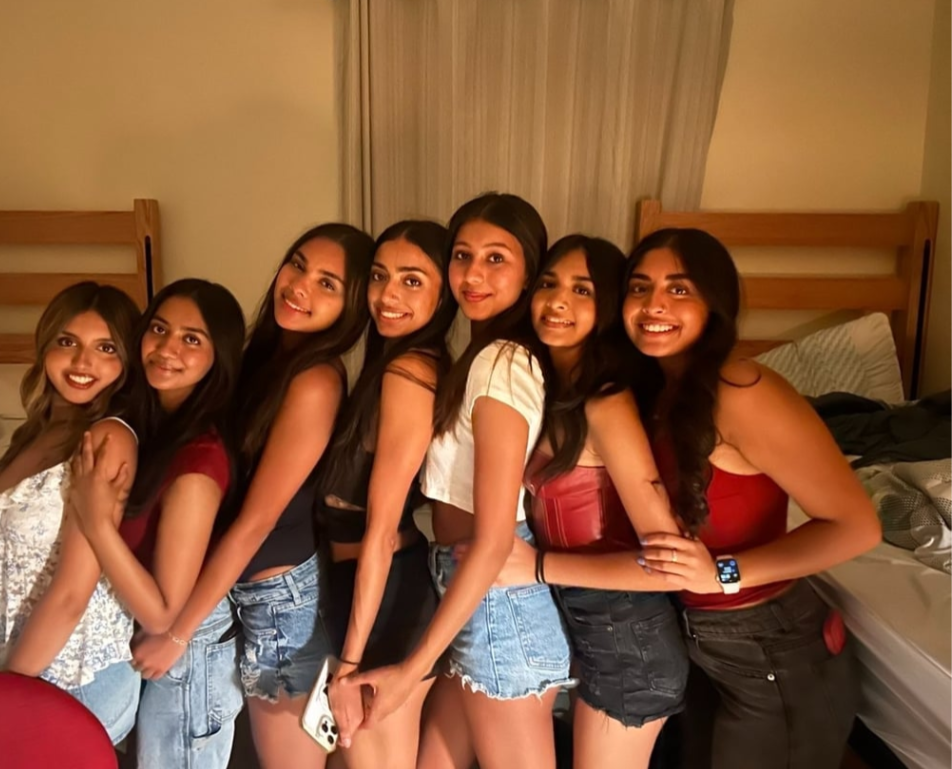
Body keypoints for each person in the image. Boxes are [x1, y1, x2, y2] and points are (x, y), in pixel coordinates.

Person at [624, 228, 881, 768]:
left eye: (679, 289)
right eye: (640, 287)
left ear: (715, 305)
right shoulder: (657, 393)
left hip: (774, 647)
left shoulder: (742, 390)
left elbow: (857, 526)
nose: (653, 305)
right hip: (706, 641)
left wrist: (721, 573)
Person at [132, 224, 374, 769]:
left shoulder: (315, 381)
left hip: (279, 602)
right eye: (298, 264)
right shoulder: (261, 356)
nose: (300, 285)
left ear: (351, 308)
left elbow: (256, 521)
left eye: (328, 283)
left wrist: (176, 634)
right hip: (242, 588)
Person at [350, 193, 570, 769]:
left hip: (497, 602)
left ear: (530, 274)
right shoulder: (480, 358)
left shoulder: (501, 363)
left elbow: (494, 540)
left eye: (496, 259)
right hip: (470, 590)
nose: (473, 275)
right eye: (463, 256)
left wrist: (411, 669)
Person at [519, 234, 688, 768]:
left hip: (629, 641)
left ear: (610, 306)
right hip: (593, 632)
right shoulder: (547, 389)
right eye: (548, 284)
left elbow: (669, 567)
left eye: (582, 290)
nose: (557, 301)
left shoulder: (607, 402)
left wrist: (536, 566)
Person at [69, 278, 246, 769]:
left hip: (189, 649)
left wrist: (96, 524)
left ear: (218, 356)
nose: (167, 349)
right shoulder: (145, 425)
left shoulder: (198, 462)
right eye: (160, 329)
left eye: (192, 339)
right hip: (154, 638)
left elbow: (164, 612)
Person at [0, 281, 140, 744]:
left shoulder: (108, 439)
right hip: (20, 664)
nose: (82, 363)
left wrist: (4, 692)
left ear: (126, 361)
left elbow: (71, 595)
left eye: (106, 348)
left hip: (74, 675)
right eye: (68, 342)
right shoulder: (35, 431)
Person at [320, 220, 457, 768]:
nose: (388, 294)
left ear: (443, 296)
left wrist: (351, 662)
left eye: (412, 280)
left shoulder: (410, 371)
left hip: (382, 599)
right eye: (380, 276)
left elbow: (380, 528)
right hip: (363, 590)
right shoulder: (389, 366)